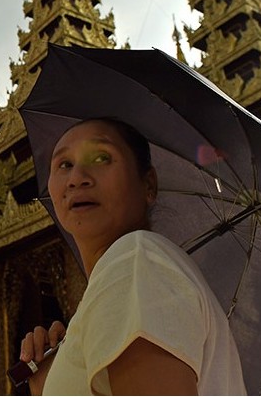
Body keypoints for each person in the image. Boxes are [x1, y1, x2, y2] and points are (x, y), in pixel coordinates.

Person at [20, 118, 245, 395]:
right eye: (64, 165)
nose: (77, 178)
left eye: (102, 158)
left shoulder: (135, 260)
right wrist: (52, 378)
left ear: (148, 184)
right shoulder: (132, 269)